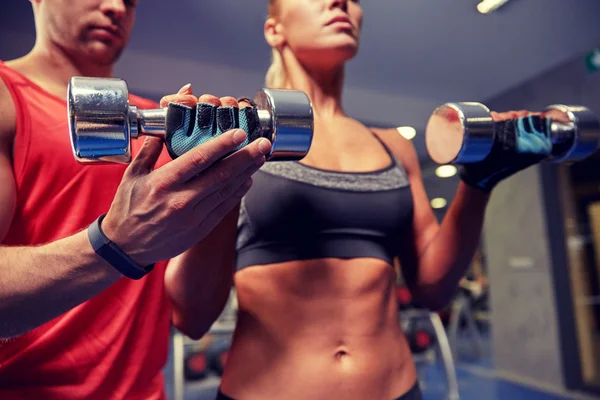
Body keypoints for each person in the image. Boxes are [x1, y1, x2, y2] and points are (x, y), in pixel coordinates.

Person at [163, 0, 554, 399]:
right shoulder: (239, 134)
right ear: (274, 30)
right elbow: (191, 316)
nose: (340, 2)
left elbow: (432, 290)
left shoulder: (392, 146)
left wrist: (478, 182)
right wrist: (222, 177)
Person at [0, 0, 272, 398]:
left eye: (129, 1)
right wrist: (114, 243)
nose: (115, 8)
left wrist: (226, 179)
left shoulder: (163, 125)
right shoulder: (6, 98)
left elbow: (192, 316)